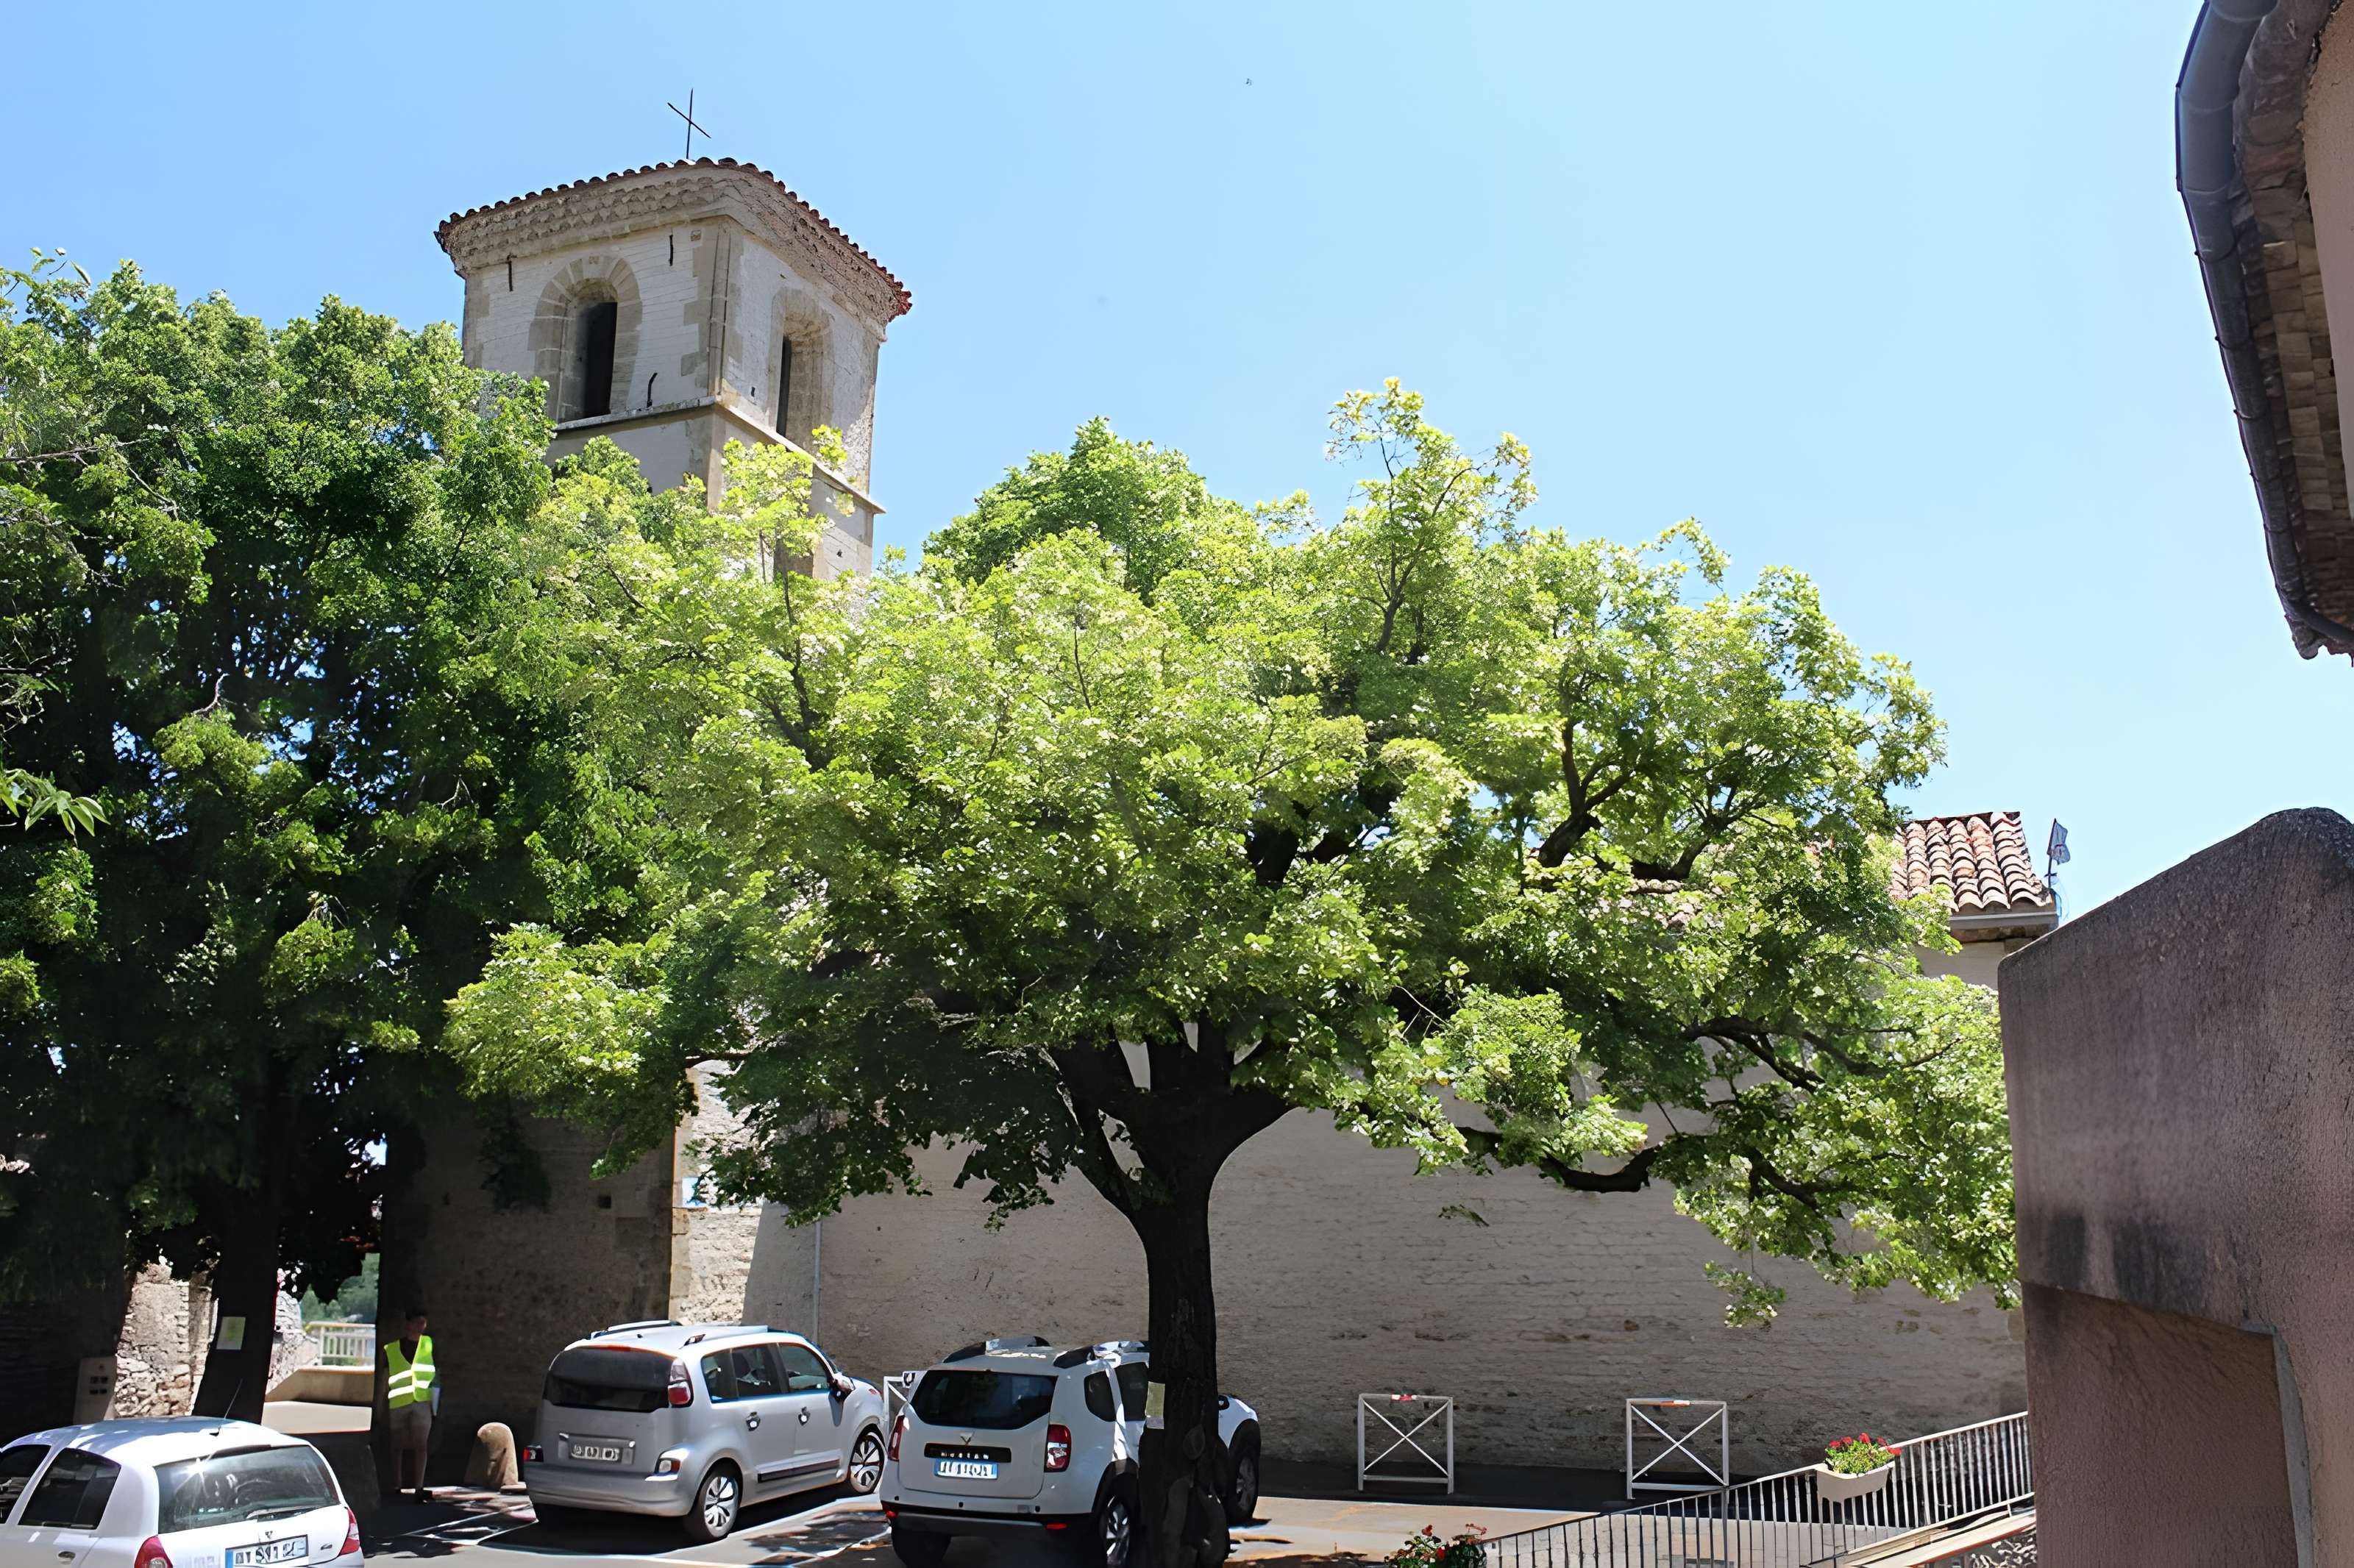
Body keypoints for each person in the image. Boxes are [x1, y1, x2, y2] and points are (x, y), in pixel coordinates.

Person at [383, 1306, 437, 1504]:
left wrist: (436, 1401)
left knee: (420, 1446)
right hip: (398, 1402)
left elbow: (437, 1374)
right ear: (408, 1324)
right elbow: (384, 1377)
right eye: (417, 1322)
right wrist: (381, 1406)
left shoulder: (429, 1345)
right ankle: (397, 1484)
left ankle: (418, 1487)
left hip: (422, 1401)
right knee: (396, 1446)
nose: (421, 1326)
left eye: (423, 1322)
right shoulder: (392, 1348)